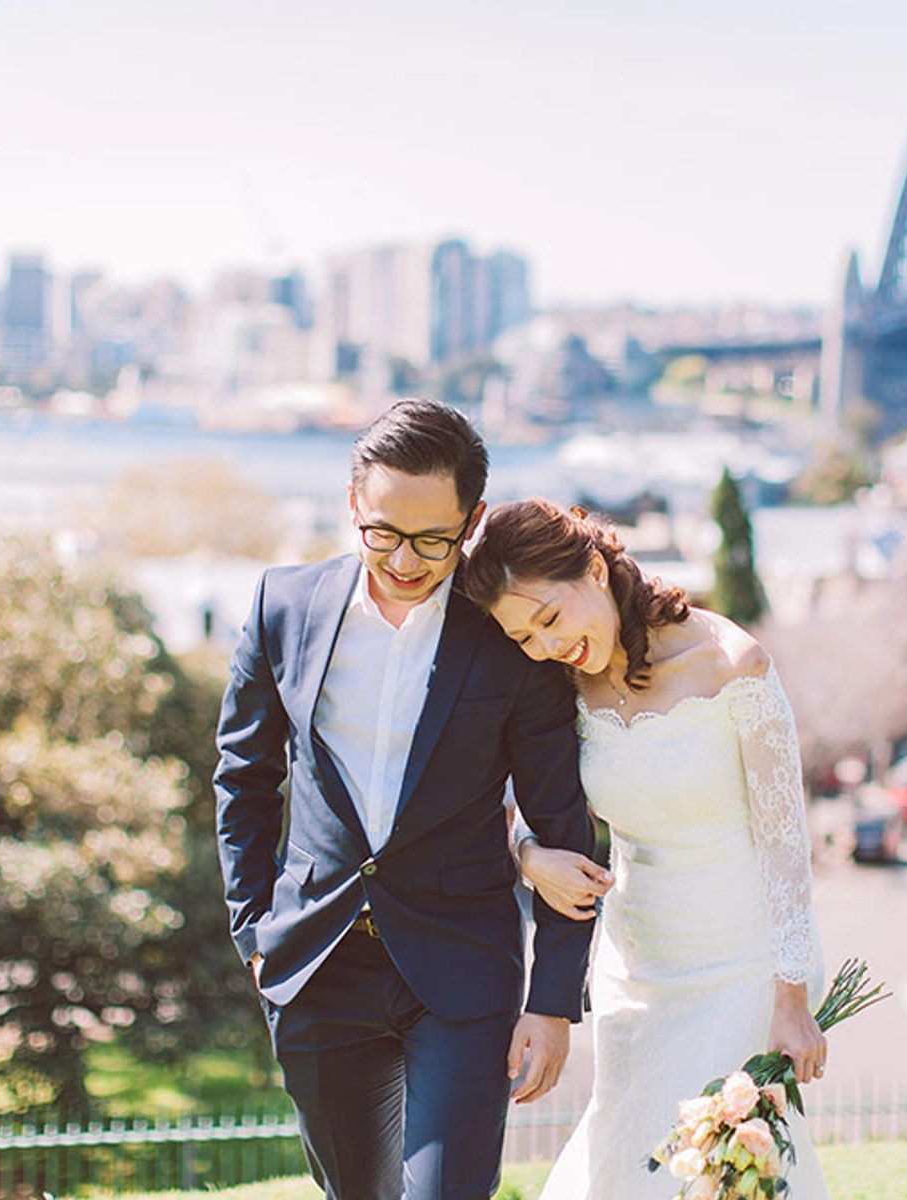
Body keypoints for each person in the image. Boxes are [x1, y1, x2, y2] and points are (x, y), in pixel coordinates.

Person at [213, 402, 597, 1200]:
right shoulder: (282, 606)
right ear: (353, 504)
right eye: (382, 533)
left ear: (473, 522)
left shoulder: (509, 639)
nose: (404, 560)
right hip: (315, 964)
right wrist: (253, 927)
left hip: (464, 969)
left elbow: (562, 823)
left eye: (433, 540)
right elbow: (244, 776)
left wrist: (554, 1001)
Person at [464, 498, 830, 1200]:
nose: (545, 646)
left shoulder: (732, 664)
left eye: (550, 618)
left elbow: (786, 846)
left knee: (716, 1173)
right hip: (633, 968)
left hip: (741, 969)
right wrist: (529, 856)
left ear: (596, 570)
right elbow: (503, 803)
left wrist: (791, 998)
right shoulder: (558, 684)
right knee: (629, 1164)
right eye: (523, 637)